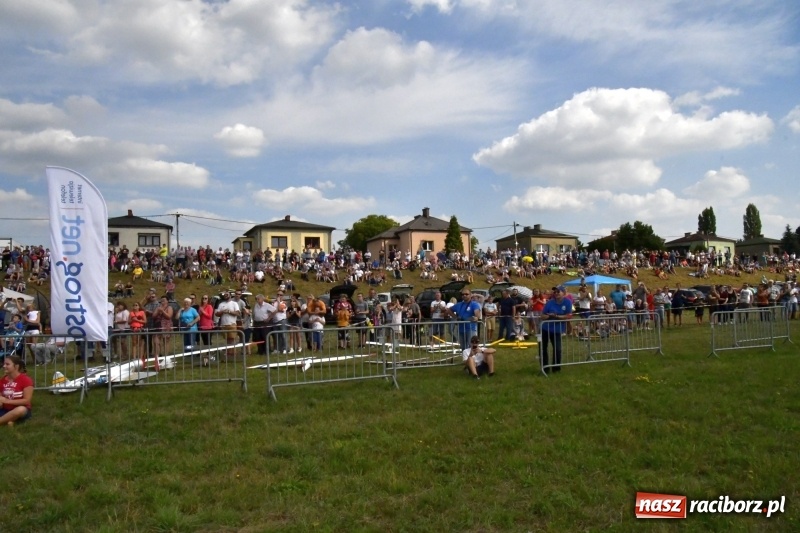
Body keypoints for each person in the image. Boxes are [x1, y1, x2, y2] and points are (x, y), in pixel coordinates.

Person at [540, 286, 573, 373]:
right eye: (555, 292)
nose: (556, 293)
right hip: (545, 328)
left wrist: (557, 316)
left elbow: (568, 315)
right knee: (543, 348)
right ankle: (545, 368)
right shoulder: (550, 302)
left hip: (557, 330)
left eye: (558, 291)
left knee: (557, 349)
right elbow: (542, 315)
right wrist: (549, 316)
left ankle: (556, 368)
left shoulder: (567, 302)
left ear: (563, 293)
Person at [0, 355, 33, 427]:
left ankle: (3, 420)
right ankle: (10, 420)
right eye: (4, 364)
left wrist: (7, 401)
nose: (4, 366)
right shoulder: (2, 380)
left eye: (7, 364)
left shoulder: (26, 380)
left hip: (20, 409)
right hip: (4, 409)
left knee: (20, 410)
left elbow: (26, 401)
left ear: (16, 366)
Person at [215, 291, 241, 359]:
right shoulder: (221, 304)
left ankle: (233, 353)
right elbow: (217, 314)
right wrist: (222, 312)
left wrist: (229, 311)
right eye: (224, 295)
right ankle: (229, 353)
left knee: (232, 339)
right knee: (227, 339)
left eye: (227, 294)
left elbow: (238, 313)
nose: (225, 296)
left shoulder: (234, 303)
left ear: (230, 295)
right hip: (224, 324)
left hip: (232, 324)